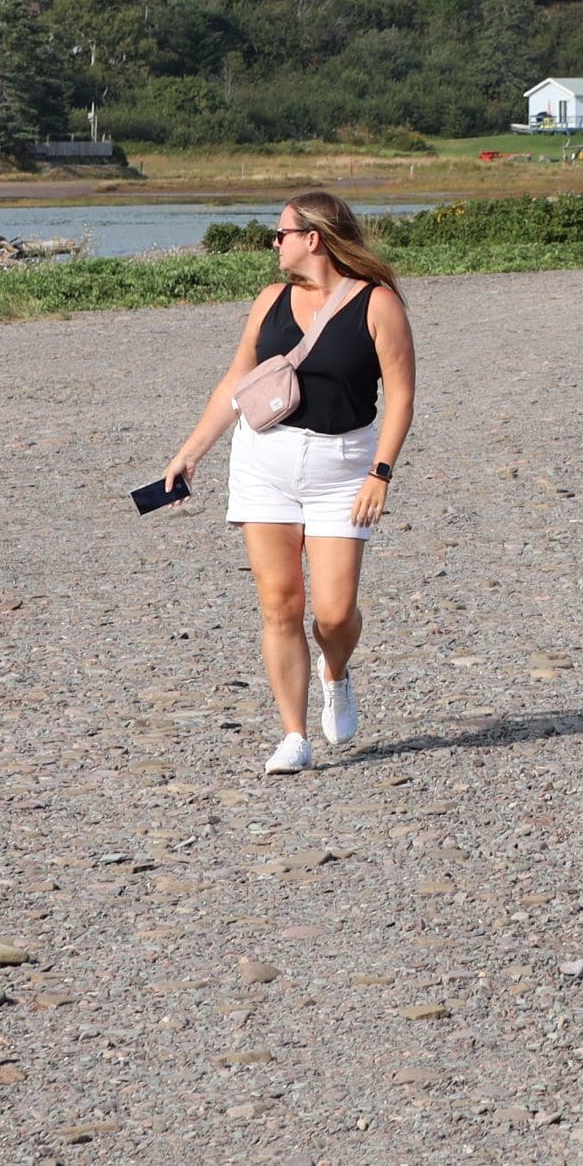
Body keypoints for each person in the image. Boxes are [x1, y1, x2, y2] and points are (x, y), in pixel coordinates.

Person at [166, 192, 417, 774]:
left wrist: (381, 472)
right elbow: (238, 378)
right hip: (264, 463)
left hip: (344, 466)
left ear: (314, 237)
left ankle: (337, 673)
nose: (273, 243)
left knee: (333, 614)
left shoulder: (377, 305)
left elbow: (401, 395)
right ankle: (293, 735)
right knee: (280, 604)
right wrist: (192, 450)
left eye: (281, 234)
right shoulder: (270, 301)